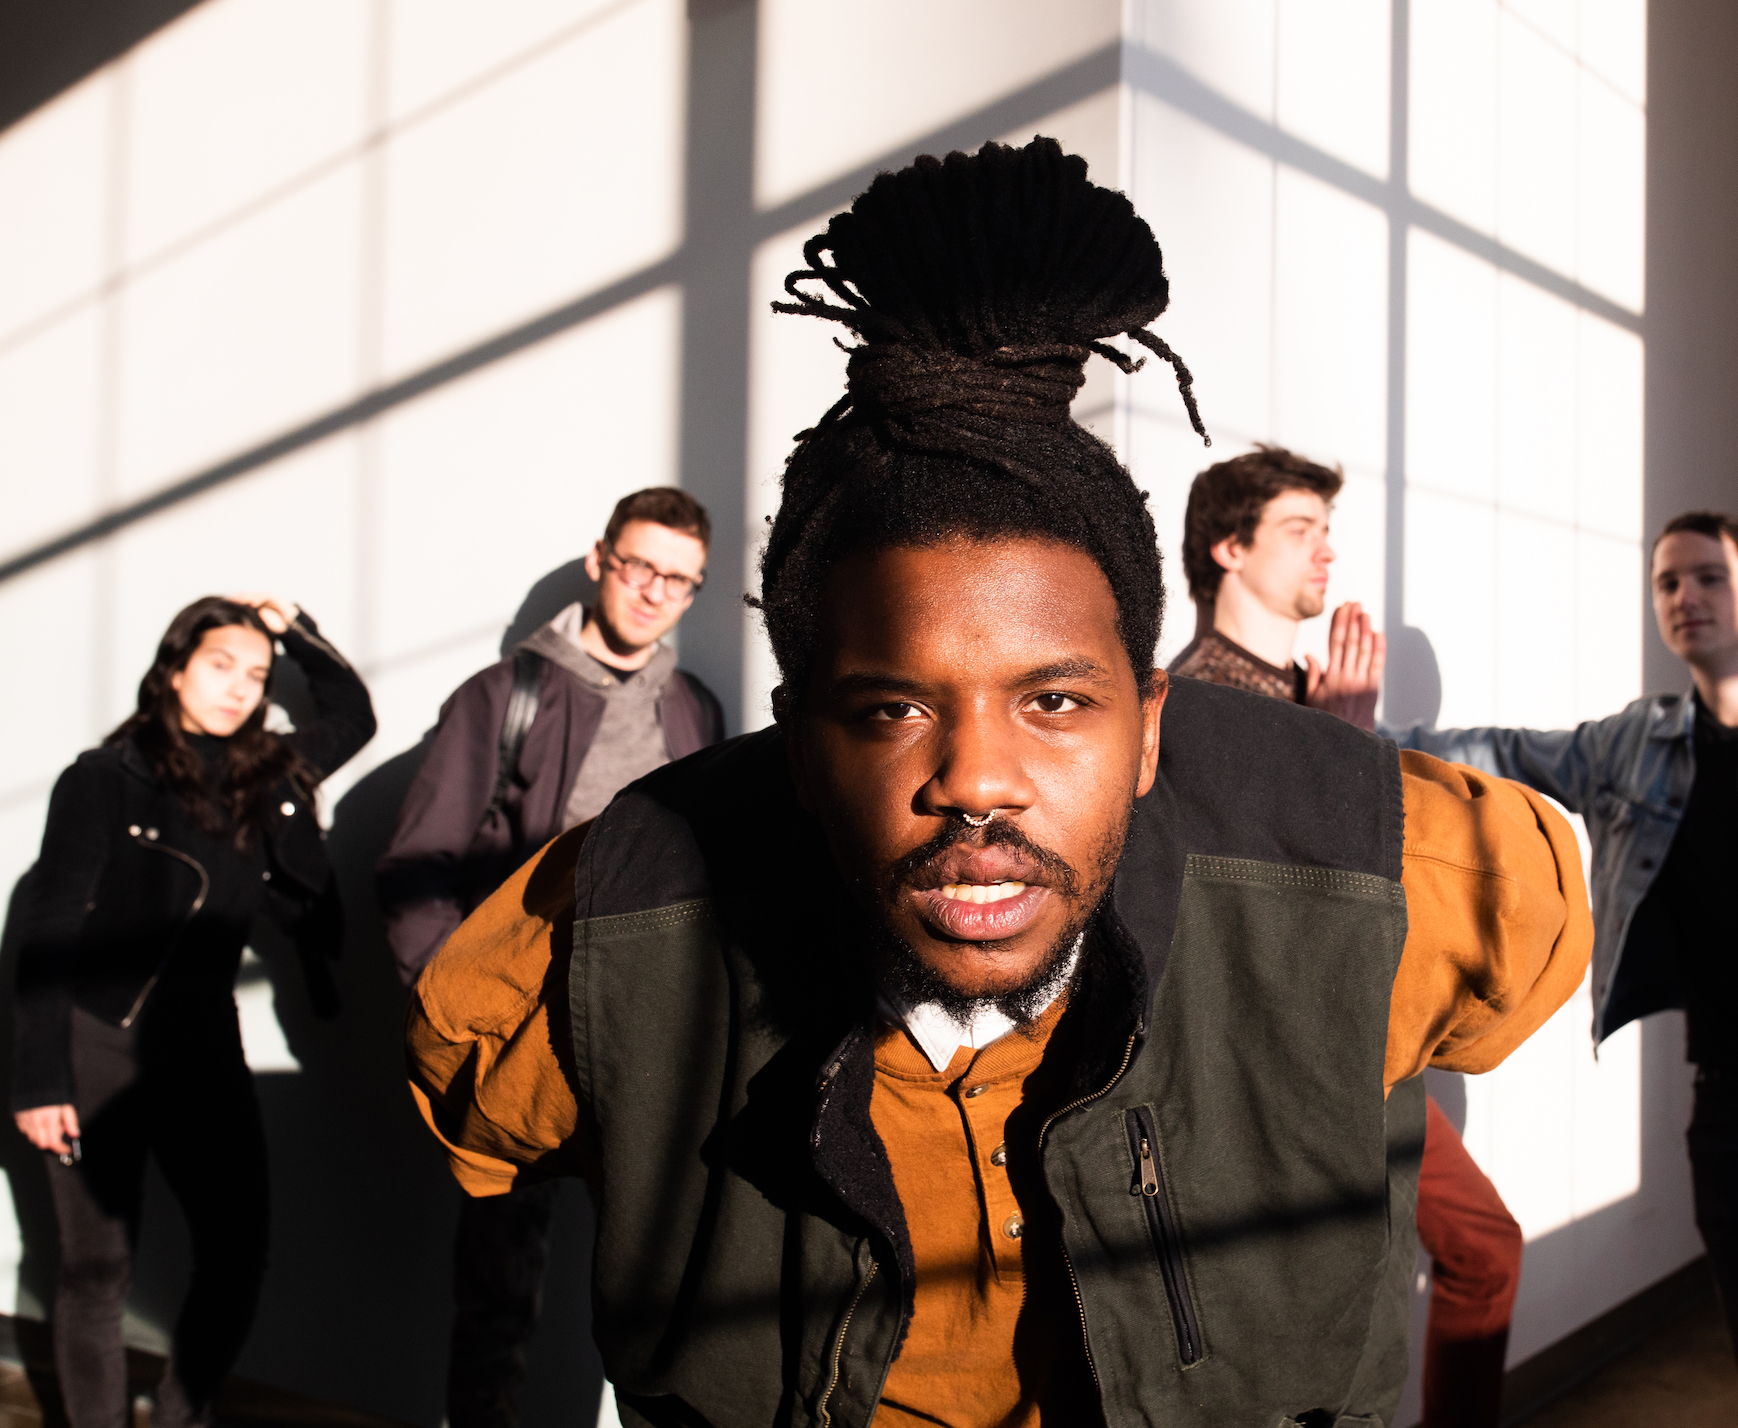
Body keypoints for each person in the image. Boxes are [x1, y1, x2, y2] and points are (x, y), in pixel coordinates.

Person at [404, 137, 1591, 1426]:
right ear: (797, 747)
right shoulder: (604, 941)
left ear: (1149, 728)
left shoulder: (1394, 871)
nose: (978, 783)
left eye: (1055, 702)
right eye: (893, 708)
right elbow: (481, 1096)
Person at [1345, 511, 1738, 1427]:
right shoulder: (1635, 744)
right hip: (1734, 1095)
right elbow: (1504, 753)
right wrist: (1360, 741)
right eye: (1668, 582)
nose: (1685, 596)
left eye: (1709, 577)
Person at [1170, 444, 1525, 1428]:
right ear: (1228, 547)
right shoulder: (1191, 705)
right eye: (1299, 530)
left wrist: (1345, 740)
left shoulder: (1317, 694)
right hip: (1277, 1075)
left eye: (1327, 531)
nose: (1325, 551)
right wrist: (1336, 748)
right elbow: (1252, 916)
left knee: (1479, 1250)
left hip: (1365, 1048)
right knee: (1323, 1328)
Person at [376, 485, 724, 1428]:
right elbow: (416, 865)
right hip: (521, 1039)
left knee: (658, 1288)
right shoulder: (505, 696)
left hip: (650, 1042)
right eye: (640, 566)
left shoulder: (694, 708)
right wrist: (456, 1022)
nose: (654, 593)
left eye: (680, 580)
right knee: (499, 1288)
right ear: (600, 560)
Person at [12, 595, 375, 1428]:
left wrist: (293, 631)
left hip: (202, 1044)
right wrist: (40, 1079)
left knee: (238, 1251)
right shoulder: (103, 779)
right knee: (97, 1270)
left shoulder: (269, 773)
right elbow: (51, 922)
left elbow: (353, 715)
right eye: (220, 665)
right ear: (174, 669)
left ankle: (180, 1419)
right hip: (101, 1041)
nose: (239, 688)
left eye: (256, 675)